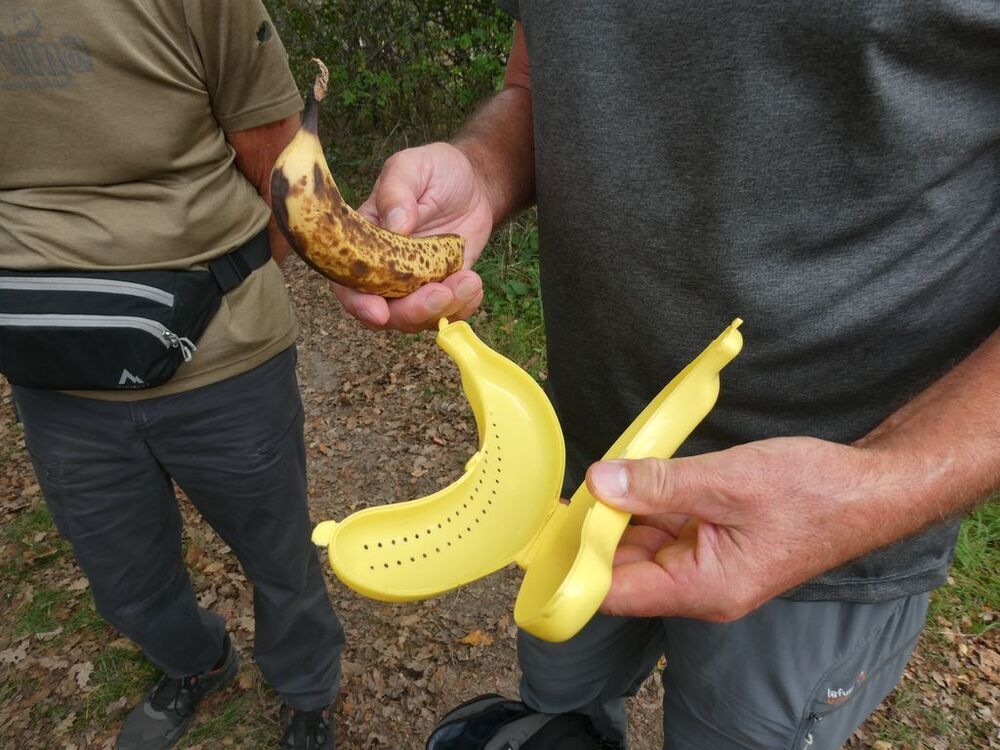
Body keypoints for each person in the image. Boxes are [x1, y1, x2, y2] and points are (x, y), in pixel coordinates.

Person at [332, 4, 1000, 749]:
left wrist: (878, 488)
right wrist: (483, 169)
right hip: (575, 467)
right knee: (558, 710)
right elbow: (539, 84)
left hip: (822, 519)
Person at [0, 2, 343, 748]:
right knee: (124, 581)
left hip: (223, 354)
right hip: (51, 372)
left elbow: (284, 180)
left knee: (281, 559)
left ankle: (309, 693)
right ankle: (198, 662)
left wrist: (201, 295)